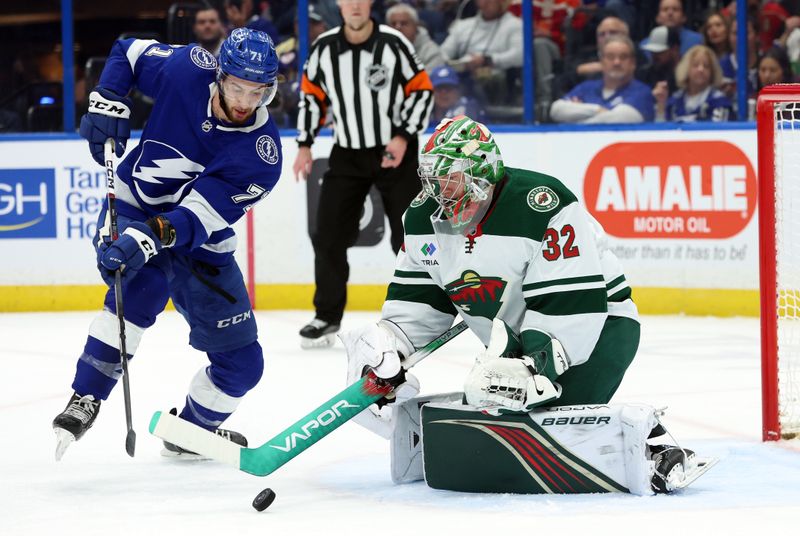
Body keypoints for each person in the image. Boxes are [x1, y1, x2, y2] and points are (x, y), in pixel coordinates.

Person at [339, 115, 703, 494]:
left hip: (596, 332)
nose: (442, 193)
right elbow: (418, 305)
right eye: (434, 180)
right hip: (510, 343)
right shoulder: (421, 219)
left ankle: (653, 445)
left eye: (453, 179)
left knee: (536, 422)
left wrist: (533, 367)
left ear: (485, 174)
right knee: (494, 417)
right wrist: (389, 352)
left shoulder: (543, 205)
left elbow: (572, 303)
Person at [51, 28, 283, 459]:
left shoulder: (261, 156)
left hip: (200, 243)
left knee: (244, 365)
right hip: (135, 203)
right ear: (219, 76)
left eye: (258, 92)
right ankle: (85, 397)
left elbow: (195, 218)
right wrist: (108, 98)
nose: (244, 102)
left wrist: (145, 239)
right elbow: (128, 50)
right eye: (237, 87)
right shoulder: (186, 69)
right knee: (138, 289)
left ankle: (189, 433)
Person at [292, 0, 433, 348]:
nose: (354, 5)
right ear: (339, 5)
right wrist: (305, 144)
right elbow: (312, 97)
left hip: (394, 151)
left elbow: (422, 90)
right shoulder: (324, 47)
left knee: (409, 236)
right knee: (328, 234)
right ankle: (326, 315)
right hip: (348, 154)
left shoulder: (393, 43)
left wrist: (402, 136)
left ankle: (427, 310)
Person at [550, 35, 655, 124]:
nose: (616, 62)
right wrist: (597, 110)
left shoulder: (642, 92)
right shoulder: (586, 87)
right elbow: (556, 110)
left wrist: (577, 122)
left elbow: (621, 118)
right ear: (601, 61)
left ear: (633, 63)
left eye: (623, 57)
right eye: (610, 57)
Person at [662, 45, 731, 122]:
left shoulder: (720, 101)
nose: (701, 69)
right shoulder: (674, 101)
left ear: (712, 72)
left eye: (706, 66)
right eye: (695, 65)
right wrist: (660, 105)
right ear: (686, 69)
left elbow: (720, 131)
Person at [386, 2, 446, 73]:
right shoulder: (380, 49)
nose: (398, 27)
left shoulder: (431, 51)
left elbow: (427, 81)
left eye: (403, 23)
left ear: (415, 26)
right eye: (393, 24)